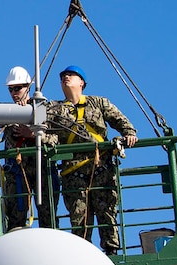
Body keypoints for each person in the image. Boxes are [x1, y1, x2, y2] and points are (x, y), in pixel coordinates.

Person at [47, 65, 137, 253]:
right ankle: (82, 257)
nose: (66, 77)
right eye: (63, 76)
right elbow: (42, 131)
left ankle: (111, 253)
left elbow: (121, 121)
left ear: (82, 82)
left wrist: (128, 133)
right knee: (80, 222)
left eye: (71, 75)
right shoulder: (54, 110)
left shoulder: (98, 103)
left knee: (107, 215)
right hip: (74, 174)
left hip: (101, 169)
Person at [0, 66, 55, 231]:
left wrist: (31, 134)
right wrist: (16, 111)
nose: (14, 93)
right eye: (11, 89)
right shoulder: (7, 112)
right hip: (17, 172)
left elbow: (53, 138)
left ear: (28, 88)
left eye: (18, 88)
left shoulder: (42, 107)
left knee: (47, 218)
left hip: (41, 170)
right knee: (16, 219)